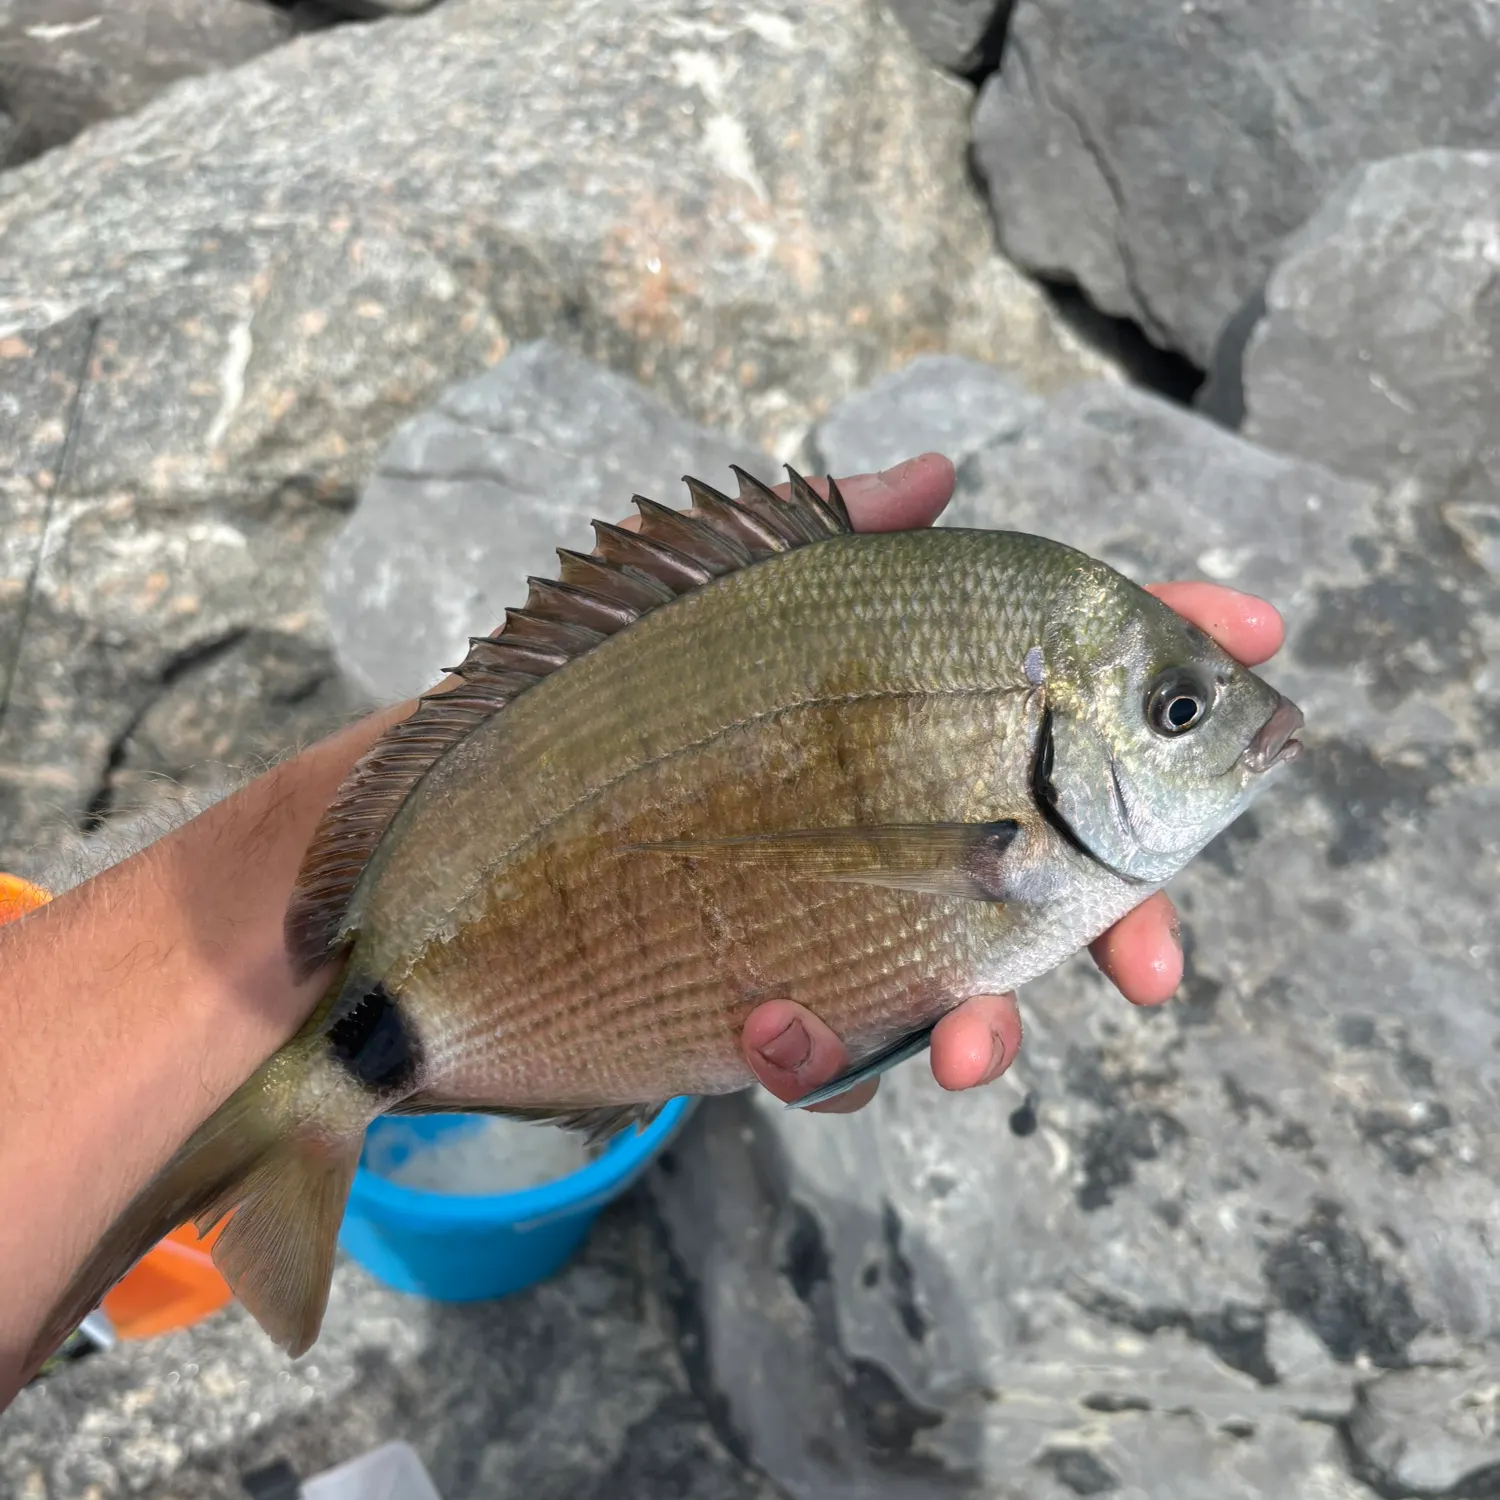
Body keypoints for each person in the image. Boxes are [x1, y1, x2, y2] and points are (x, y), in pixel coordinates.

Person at [0, 453, 1286, 1407]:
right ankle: (333, 1082)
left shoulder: (1021, 789)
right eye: (1180, 710)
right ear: (1052, 748)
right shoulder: (1011, 770)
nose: (1235, 721)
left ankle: (334, 1076)